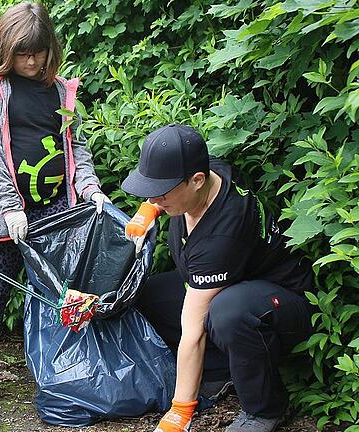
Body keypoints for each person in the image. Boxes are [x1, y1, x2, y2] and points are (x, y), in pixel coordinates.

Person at [121, 124, 314, 432]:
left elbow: (193, 331)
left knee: (227, 313)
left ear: (197, 181)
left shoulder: (222, 234)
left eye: (161, 193)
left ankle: (265, 409)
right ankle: (223, 370)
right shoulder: (212, 173)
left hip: (284, 304)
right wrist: (148, 211)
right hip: (232, 283)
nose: (155, 198)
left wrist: (179, 413)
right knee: (144, 296)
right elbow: (171, 183)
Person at [0, 1, 110, 400]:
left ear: (51, 48)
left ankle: (64, 364)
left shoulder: (62, 91)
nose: (30, 61)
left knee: (62, 290)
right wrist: (11, 206)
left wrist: (90, 187)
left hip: (56, 211)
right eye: (22, 53)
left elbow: (76, 146)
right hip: (7, 216)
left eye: (38, 52)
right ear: (5, 49)